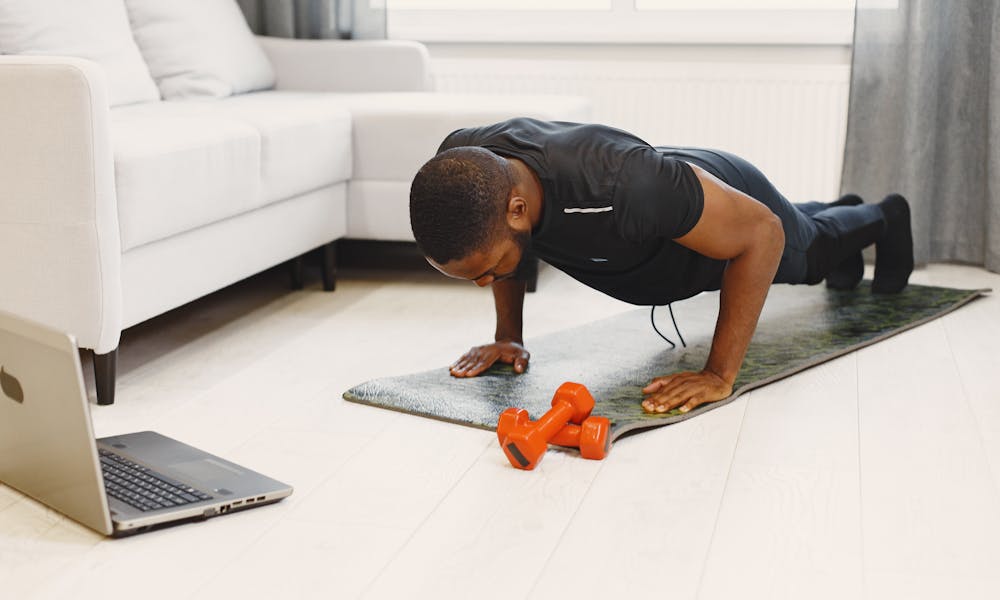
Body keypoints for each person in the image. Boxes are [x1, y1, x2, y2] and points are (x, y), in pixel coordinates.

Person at [408, 118, 913, 415]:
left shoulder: (623, 189)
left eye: (489, 269)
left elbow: (763, 233)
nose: (483, 282)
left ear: (518, 209)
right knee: (800, 226)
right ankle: (829, 211)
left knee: (809, 255)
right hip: (679, 195)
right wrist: (508, 336)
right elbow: (495, 246)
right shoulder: (468, 168)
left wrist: (719, 373)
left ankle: (885, 215)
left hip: (723, 194)